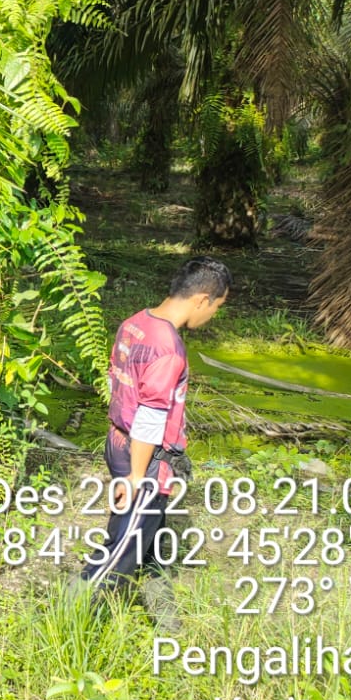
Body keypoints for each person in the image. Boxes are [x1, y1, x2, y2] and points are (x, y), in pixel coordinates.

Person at [78, 256, 232, 622]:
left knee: (150, 545)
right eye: (217, 307)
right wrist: (136, 478)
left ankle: (166, 621)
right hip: (144, 460)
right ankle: (69, 619)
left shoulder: (136, 323)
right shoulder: (168, 349)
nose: (213, 315)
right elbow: (149, 416)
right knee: (119, 552)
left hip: (119, 442)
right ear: (202, 300)